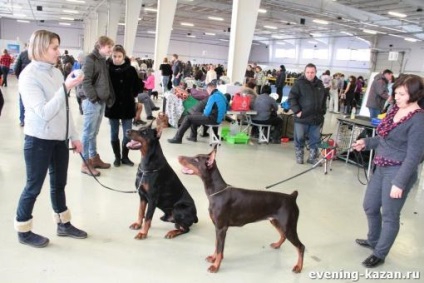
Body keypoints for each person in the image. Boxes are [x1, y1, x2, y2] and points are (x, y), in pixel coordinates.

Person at [14, 30, 87, 248]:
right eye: (54, 48)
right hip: (38, 140)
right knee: (33, 187)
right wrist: (66, 87)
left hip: (59, 139)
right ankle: (23, 230)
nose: (59, 52)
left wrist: (74, 136)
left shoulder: (55, 73)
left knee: (59, 184)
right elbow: (44, 112)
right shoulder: (28, 76)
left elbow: (64, 109)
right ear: (40, 48)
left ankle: (63, 224)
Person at [352, 74, 424, 268]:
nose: (396, 97)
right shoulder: (394, 110)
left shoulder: (418, 120)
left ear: (415, 94)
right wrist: (366, 143)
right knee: (370, 206)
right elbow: (384, 140)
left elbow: (414, 156)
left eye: (401, 94)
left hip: (398, 171)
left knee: (390, 215)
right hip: (381, 166)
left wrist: (399, 182)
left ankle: (380, 253)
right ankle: (374, 240)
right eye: (396, 93)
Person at [80, 35, 115, 176]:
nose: (111, 50)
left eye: (112, 48)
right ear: (100, 46)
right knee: (88, 133)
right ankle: (85, 163)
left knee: (94, 132)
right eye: (109, 47)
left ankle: (94, 158)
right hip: (92, 102)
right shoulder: (90, 59)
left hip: (100, 102)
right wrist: (93, 98)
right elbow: (85, 81)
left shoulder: (102, 60)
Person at [106, 44, 142, 167]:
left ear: (124, 56)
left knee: (128, 133)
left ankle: (125, 157)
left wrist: (134, 98)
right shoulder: (107, 70)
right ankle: (117, 157)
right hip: (113, 106)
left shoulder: (131, 70)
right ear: (111, 56)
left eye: (119, 56)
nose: (116, 59)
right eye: (114, 56)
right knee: (113, 133)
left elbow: (137, 87)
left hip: (127, 105)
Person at [288, 63, 326, 164]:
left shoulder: (320, 84)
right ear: (305, 72)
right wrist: (297, 111)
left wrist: (323, 111)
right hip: (302, 117)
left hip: (316, 117)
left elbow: (323, 99)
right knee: (299, 137)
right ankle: (299, 156)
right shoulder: (299, 83)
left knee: (315, 139)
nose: (310, 74)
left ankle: (312, 158)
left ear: (316, 72)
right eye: (308, 72)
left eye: (312, 72)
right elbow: (292, 98)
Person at [14, 44, 32, 127]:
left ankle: (22, 120)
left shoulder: (22, 54)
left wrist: (19, 77)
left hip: (24, 81)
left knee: (22, 101)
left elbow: (16, 68)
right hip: (36, 82)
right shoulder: (39, 54)